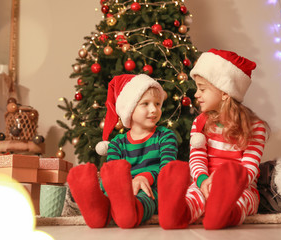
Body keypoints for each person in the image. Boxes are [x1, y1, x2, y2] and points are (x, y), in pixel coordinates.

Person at [158, 49, 269, 230]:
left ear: (225, 92)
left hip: (239, 188)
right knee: (194, 196)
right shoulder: (200, 123)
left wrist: (222, 184)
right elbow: (197, 157)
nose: (196, 94)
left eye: (202, 89)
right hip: (204, 182)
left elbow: (249, 169)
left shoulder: (255, 127)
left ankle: (224, 213)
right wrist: (202, 181)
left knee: (245, 201)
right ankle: (177, 214)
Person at [67, 74, 178, 228]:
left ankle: (131, 211)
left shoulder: (165, 136)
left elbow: (168, 169)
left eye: (158, 104)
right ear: (129, 109)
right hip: (121, 189)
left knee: (148, 197)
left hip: (152, 187)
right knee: (108, 188)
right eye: (145, 104)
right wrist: (126, 186)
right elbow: (112, 176)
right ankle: (98, 212)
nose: (154, 109)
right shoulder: (117, 143)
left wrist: (144, 177)